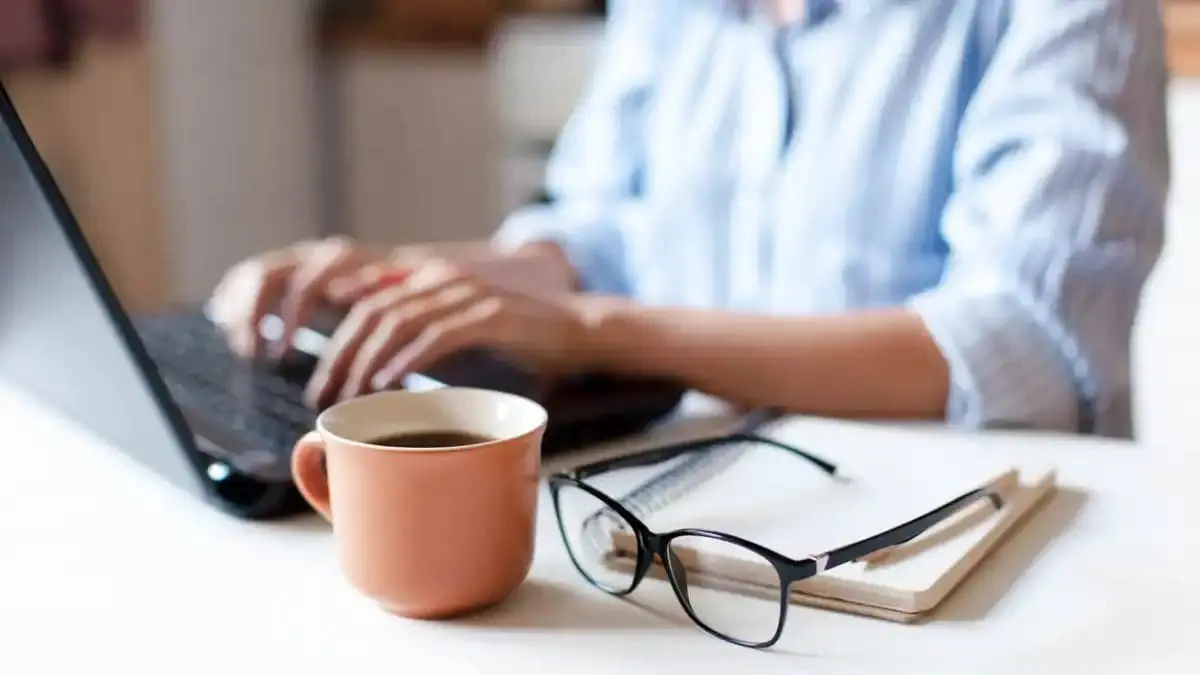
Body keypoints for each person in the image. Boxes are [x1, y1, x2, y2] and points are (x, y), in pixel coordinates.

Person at [207, 0, 1169, 438]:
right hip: (708, 513)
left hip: (962, 541)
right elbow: (610, 232)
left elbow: (1027, 348)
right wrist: (404, 280)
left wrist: (603, 333)